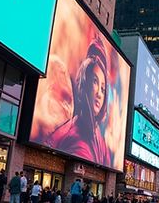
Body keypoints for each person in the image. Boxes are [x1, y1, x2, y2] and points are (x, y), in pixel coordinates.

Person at [45, 36, 112, 164]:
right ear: (84, 83)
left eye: (103, 89)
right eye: (94, 82)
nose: (99, 93)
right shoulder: (76, 137)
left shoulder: (99, 140)